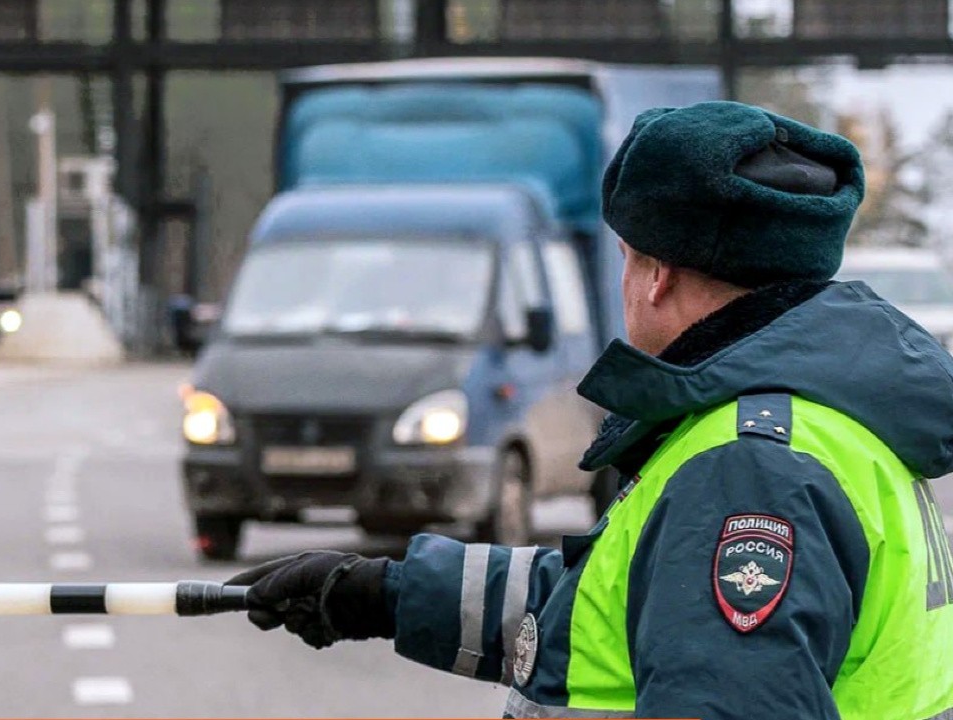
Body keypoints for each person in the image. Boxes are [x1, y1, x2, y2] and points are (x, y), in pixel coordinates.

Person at [228, 101, 953, 720]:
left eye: (629, 258)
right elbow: (609, 604)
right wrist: (381, 593)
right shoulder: (822, 425)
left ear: (658, 274)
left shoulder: (745, 467)